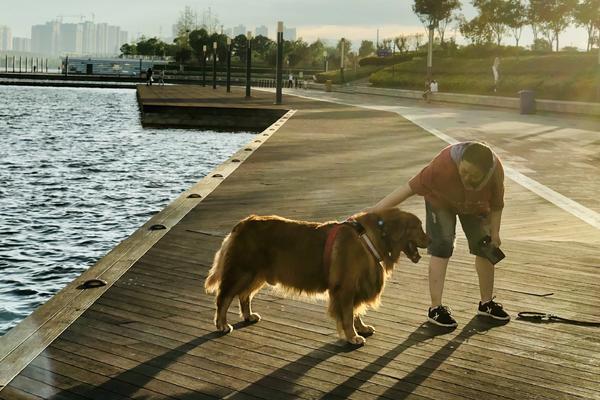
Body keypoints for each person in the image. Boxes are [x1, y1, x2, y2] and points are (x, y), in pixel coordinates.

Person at [369, 141, 510, 328]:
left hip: (475, 204)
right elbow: (407, 189)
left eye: (472, 175)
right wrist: (371, 214)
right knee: (442, 246)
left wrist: (495, 233)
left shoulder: (495, 170)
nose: (465, 178)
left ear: (485, 173)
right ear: (459, 162)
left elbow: (498, 204)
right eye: (463, 171)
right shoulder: (442, 166)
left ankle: (486, 304)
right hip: (441, 202)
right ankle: (436, 308)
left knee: (485, 247)